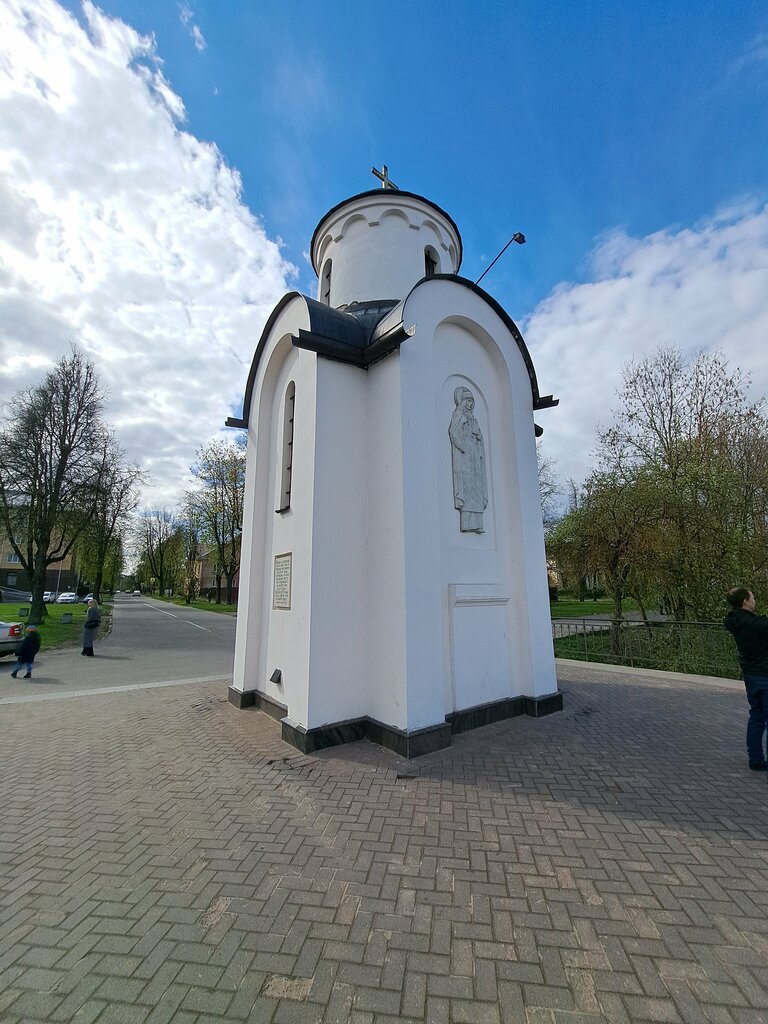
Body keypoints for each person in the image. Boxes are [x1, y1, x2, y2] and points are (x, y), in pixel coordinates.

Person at [724, 587, 768, 771]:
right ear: (745, 602)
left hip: (750, 675)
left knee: (757, 716)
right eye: (753, 597)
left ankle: (756, 759)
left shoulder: (734, 622)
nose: (754, 599)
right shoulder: (758, 624)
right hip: (765, 674)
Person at [448, 386, 488, 533]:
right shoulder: (457, 415)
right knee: (467, 490)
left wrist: (478, 439)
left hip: (475, 457)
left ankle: (478, 524)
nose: (470, 404)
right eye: (468, 401)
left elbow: (480, 438)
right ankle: (466, 524)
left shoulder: (474, 419)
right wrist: (462, 423)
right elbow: (454, 433)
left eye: (472, 401)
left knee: (477, 490)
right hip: (465, 456)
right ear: (462, 401)